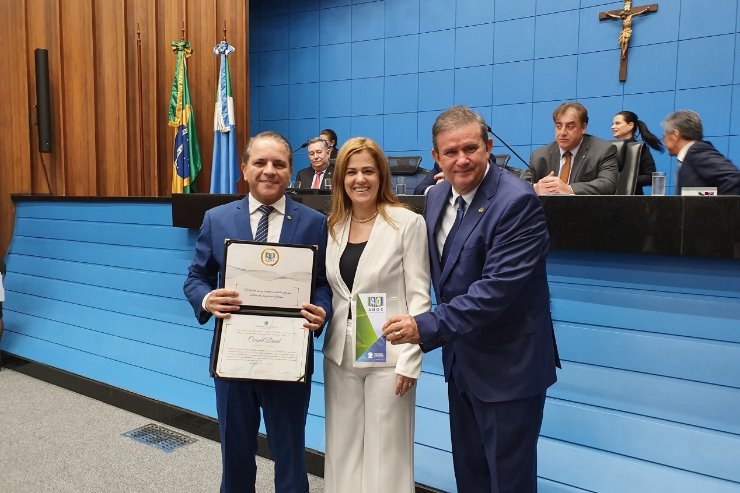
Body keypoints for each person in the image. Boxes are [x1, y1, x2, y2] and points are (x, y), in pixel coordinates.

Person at [382, 106, 560, 493]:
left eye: (471, 148)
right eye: (451, 152)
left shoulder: (516, 201)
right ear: (436, 158)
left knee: (508, 480)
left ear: (489, 148)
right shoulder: (438, 195)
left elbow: (494, 291)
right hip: (462, 361)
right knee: (471, 472)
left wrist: (422, 326)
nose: (462, 159)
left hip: (509, 367)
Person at [183, 131, 333, 493]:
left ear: (289, 169)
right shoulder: (217, 219)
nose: (269, 171)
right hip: (234, 359)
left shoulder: (314, 222)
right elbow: (196, 277)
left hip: (289, 358)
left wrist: (322, 311)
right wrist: (207, 299)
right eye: (260, 163)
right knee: (235, 453)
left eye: (279, 164)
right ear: (245, 169)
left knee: (290, 454)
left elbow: (325, 282)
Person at [322, 137, 431, 493]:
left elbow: (419, 298)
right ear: (340, 179)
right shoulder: (334, 224)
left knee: (387, 452)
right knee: (343, 447)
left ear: (381, 175)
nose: (360, 179)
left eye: (368, 170)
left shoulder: (406, 223)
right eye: (351, 172)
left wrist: (411, 360)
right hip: (341, 350)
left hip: (387, 345)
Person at [524, 101, 618, 195]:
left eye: (569, 127)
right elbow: (521, 183)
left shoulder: (603, 150)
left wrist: (569, 189)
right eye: (558, 126)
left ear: (583, 128)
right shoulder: (539, 155)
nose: (562, 133)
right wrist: (536, 187)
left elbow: (608, 184)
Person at [661, 110, 740, 195]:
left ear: (675, 135)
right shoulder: (690, 155)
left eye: (664, 136)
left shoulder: (697, 152)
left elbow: (734, 178)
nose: (663, 141)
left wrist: (716, 207)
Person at [611, 110, 662, 194]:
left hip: (633, 200)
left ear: (630, 125)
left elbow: (651, 177)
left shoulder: (641, 148)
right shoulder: (609, 148)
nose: (612, 127)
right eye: (612, 124)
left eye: (617, 123)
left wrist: (625, 179)